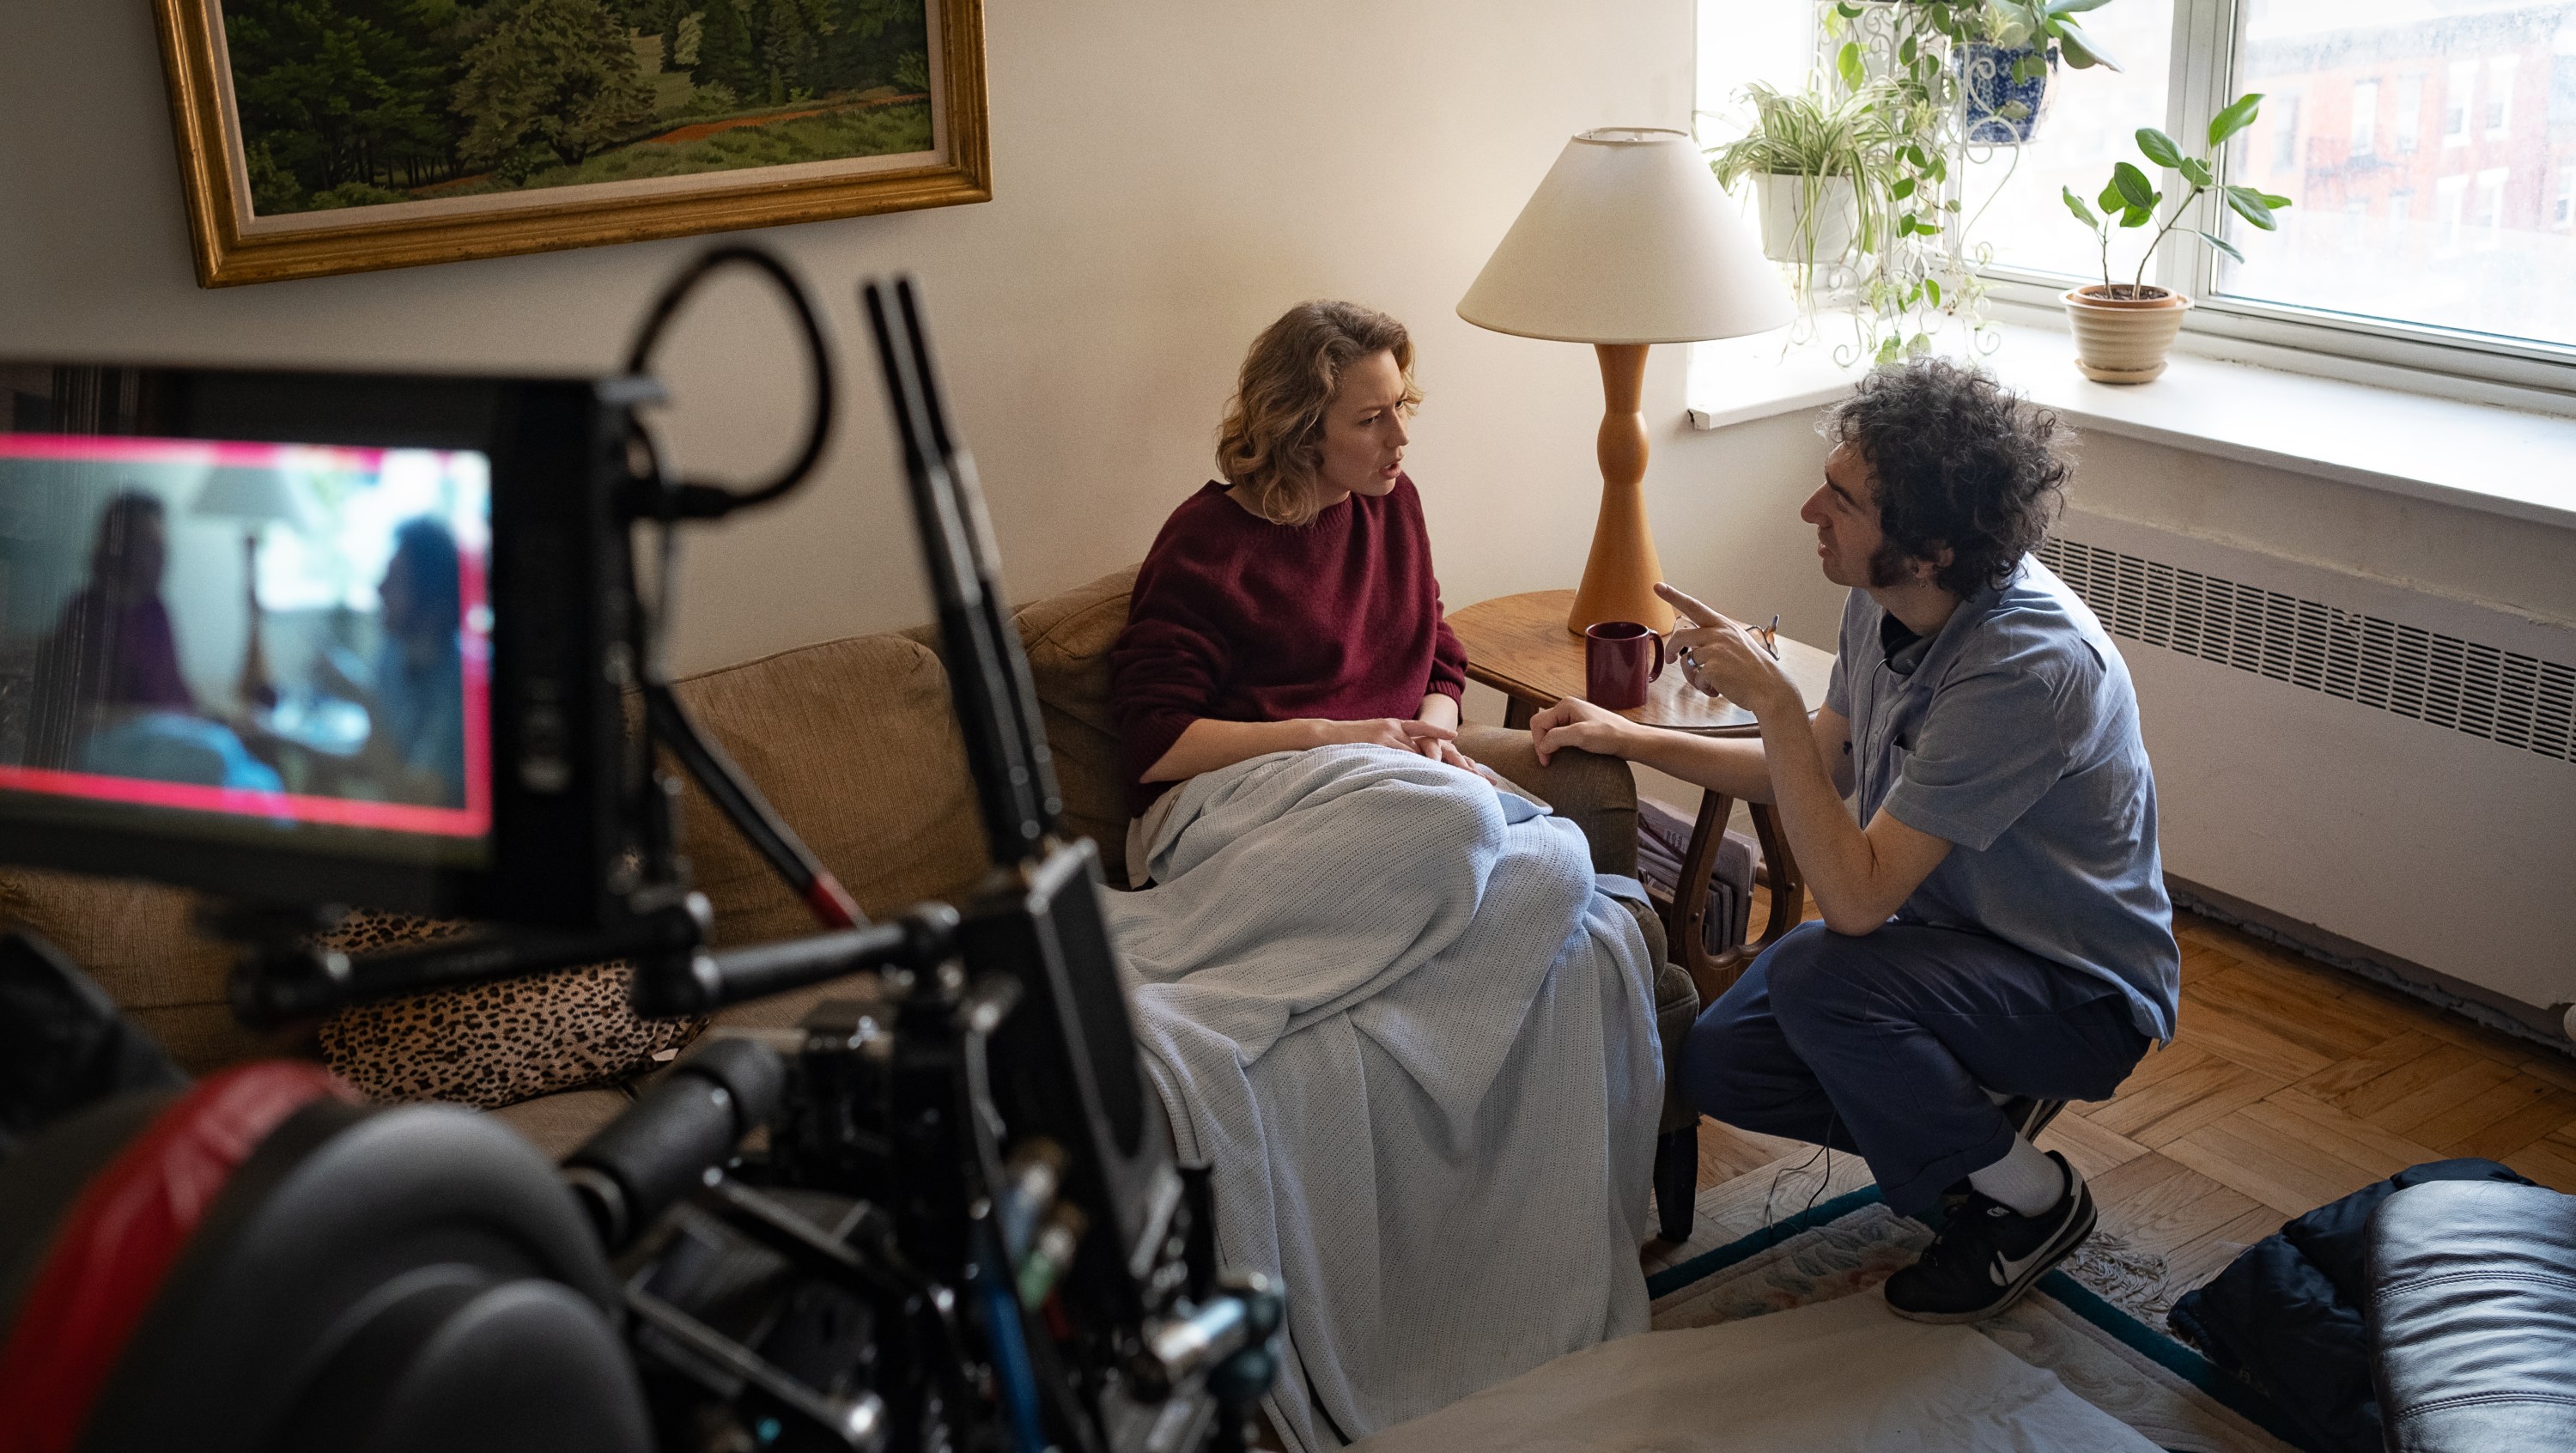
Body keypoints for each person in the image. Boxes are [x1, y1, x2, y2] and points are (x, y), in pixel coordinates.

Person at [1529, 359, 2178, 1322]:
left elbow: (1857, 901)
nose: (1807, 511)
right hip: (1951, 946)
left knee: (1818, 976)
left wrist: (1775, 699)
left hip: (2074, 991)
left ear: (1927, 550)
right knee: (1719, 1061)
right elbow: (1815, 769)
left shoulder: (2027, 669)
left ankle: (2037, 1203)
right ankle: (1971, 1145)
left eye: (1840, 498)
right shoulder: (1884, 599)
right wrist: (1628, 737)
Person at [1110, 300, 1478, 879]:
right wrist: (1333, 737)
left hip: (1385, 781)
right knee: (1466, 826)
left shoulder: (1393, 502)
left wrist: (1433, 739)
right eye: (1370, 419)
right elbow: (1155, 743)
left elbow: (1437, 649)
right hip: (1234, 796)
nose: (1401, 435)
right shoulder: (1207, 542)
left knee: (1561, 865)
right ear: (1302, 432)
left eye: (1401, 404)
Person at [29, 491, 197, 769]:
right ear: (123, 547)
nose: (163, 558)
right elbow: (80, 716)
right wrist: (153, 720)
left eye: (163, 547)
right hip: (114, 751)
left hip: (169, 740)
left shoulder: (157, 612)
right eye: (151, 546)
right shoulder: (87, 613)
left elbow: (177, 696)